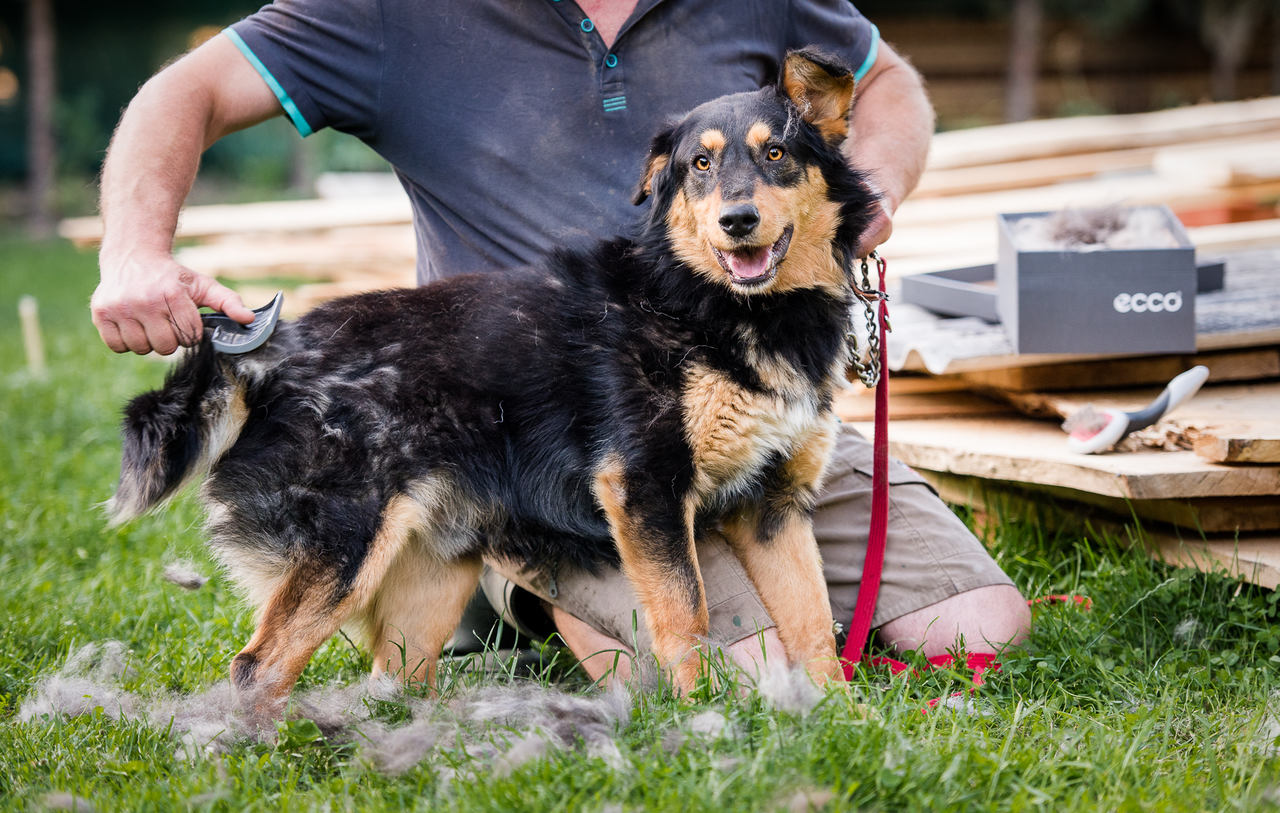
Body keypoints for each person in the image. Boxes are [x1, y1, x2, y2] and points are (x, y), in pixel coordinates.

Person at [90, 0, 1031, 684]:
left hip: (759, 388)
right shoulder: (388, 13)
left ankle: (719, 600)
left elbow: (884, 81)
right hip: (523, 438)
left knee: (981, 622)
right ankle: (519, 594)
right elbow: (189, 89)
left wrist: (867, 192)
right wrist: (134, 252)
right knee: (743, 675)